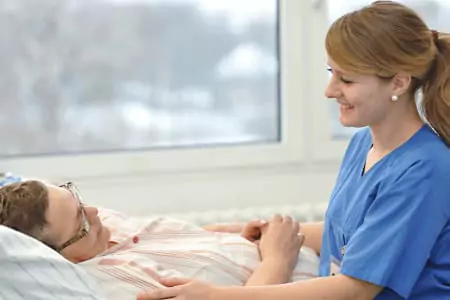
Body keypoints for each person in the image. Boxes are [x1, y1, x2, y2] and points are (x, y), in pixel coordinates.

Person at [137, 1, 450, 299]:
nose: (330, 91)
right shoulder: (363, 145)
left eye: (348, 80)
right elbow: (354, 238)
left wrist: (216, 296)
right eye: (331, 73)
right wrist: (267, 233)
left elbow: (356, 289)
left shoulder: (426, 170)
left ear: (398, 83)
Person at [0, 180, 319, 300]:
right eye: (81, 220)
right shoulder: (107, 286)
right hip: (318, 282)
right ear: (59, 258)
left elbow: (171, 240)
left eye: (79, 200)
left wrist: (229, 233)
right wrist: (278, 259)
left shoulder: (106, 227)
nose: (95, 212)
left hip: (307, 252)